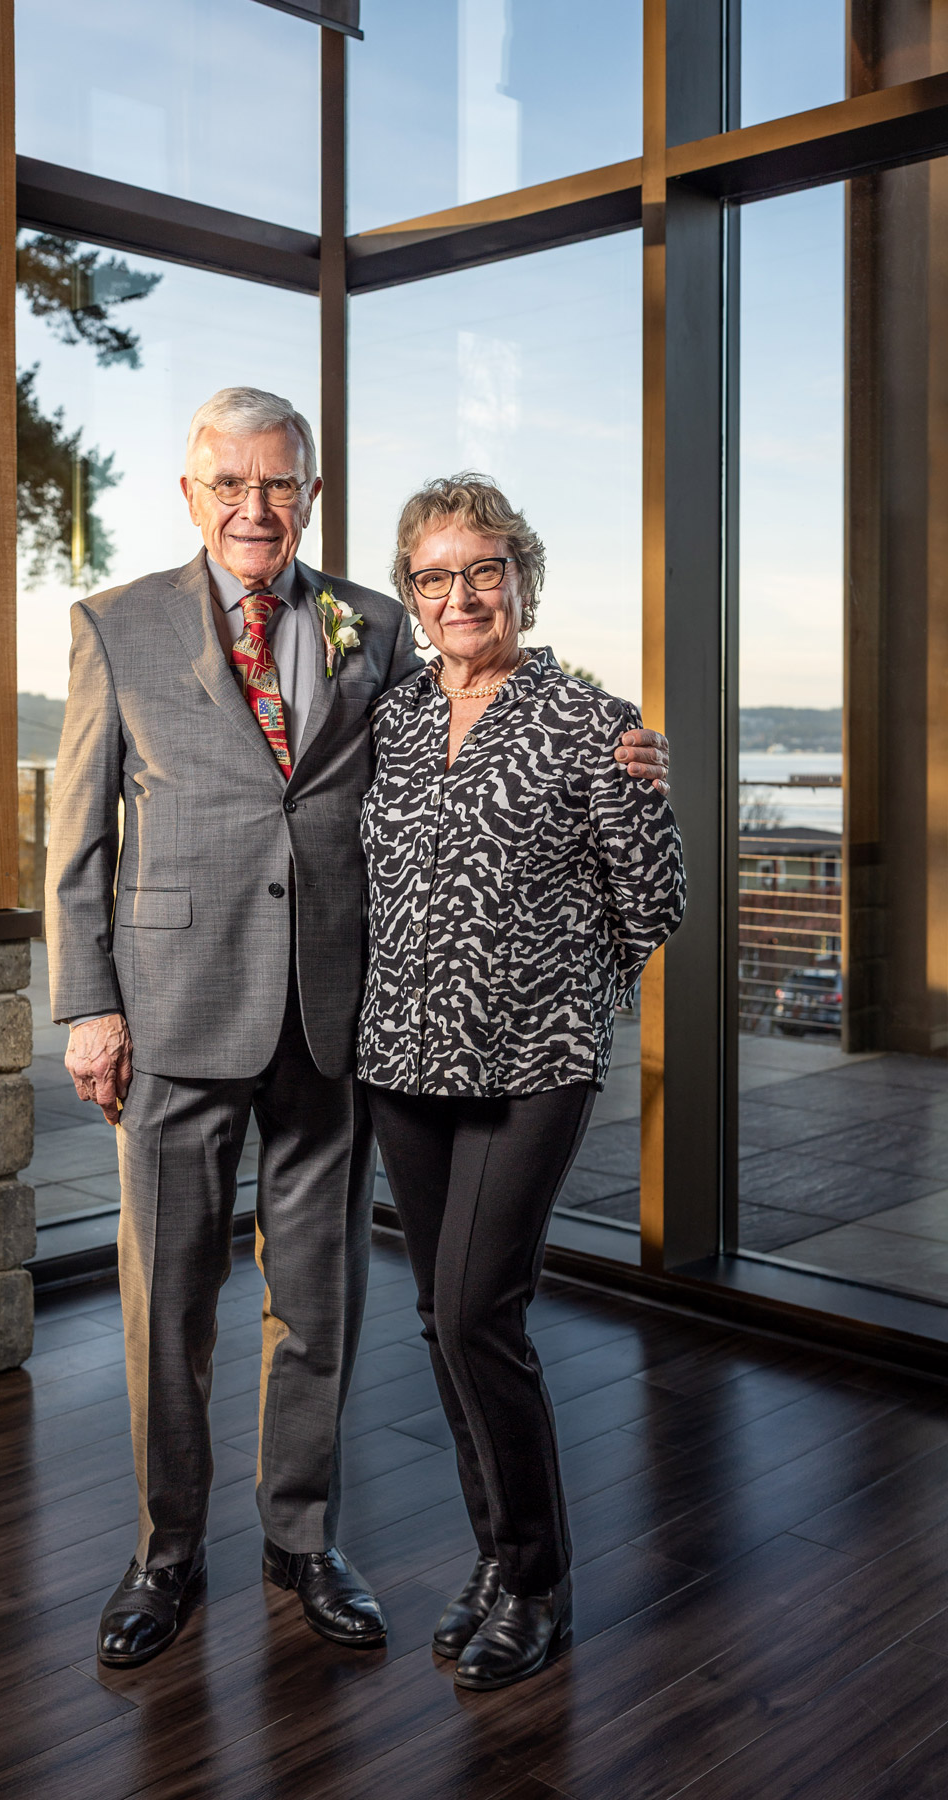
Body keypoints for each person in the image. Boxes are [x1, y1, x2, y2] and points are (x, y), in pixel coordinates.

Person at [45, 393, 671, 1671]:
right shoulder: (115, 626)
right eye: (228, 484)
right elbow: (77, 838)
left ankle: (301, 1537)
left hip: (340, 1026)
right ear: (189, 494)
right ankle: (167, 1549)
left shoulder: (373, 627)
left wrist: (631, 763)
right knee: (169, 1305)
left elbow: (475, 744)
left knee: (320, 1303)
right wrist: (89, 1003)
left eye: (277, 484)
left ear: (311, 492)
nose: (254, 508)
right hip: (174, 1014)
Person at [358, 474, 685, 1692]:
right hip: (402, 1057)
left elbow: (655, 902)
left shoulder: (593, 721)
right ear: (412, 595)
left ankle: (540, 1582)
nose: (461, 595)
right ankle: (495, 1558)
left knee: (481, 1309)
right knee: (442, 1316)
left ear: (523, 582)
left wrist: (554, 979)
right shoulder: (391, 723)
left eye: (483, 570)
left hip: (533, 1061)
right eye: (435, 576)